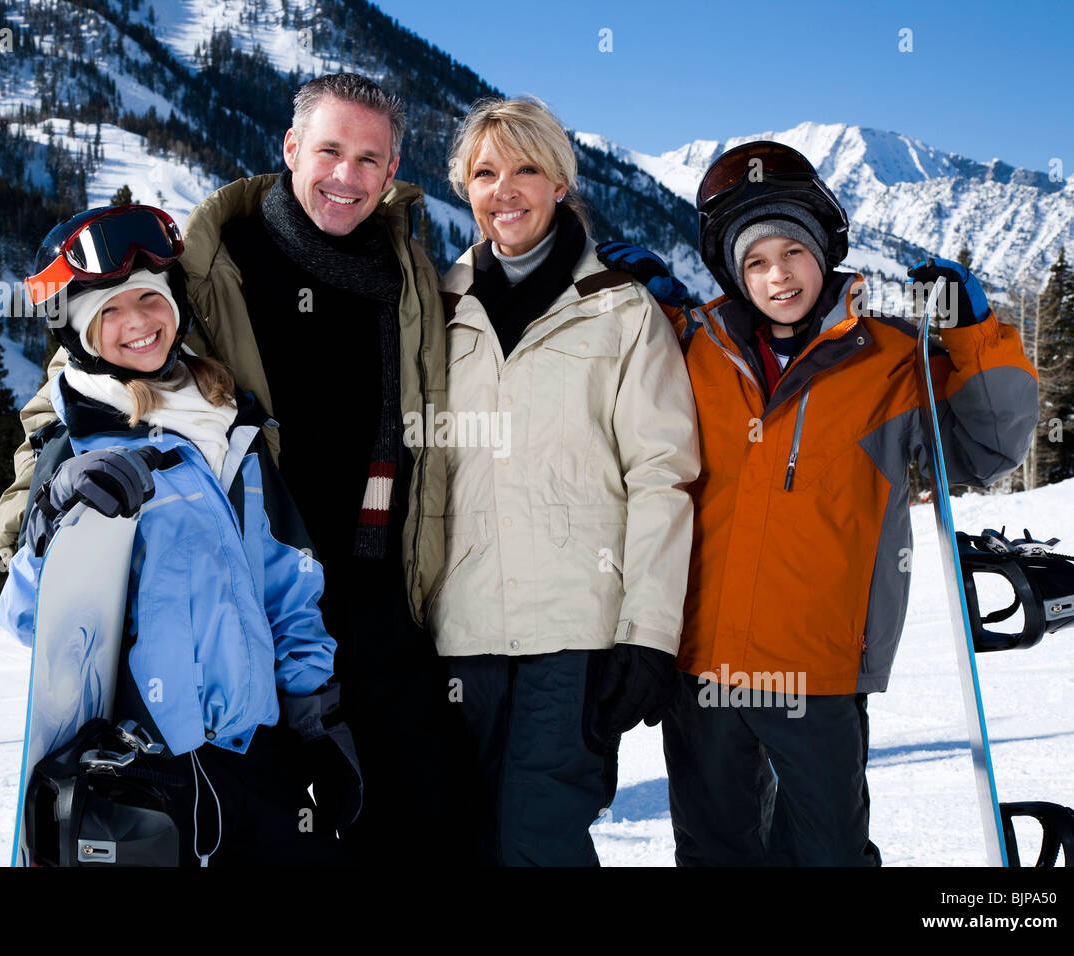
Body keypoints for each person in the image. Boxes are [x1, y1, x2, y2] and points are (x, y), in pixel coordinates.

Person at [0, 74, 478, 866]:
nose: (346, 177)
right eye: (329, 150)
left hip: (363, 593)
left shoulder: (412, 274)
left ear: (393, 171)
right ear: (291, 148)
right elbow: (88, 373)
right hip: (245, 617)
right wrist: (48, 513)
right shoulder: (214, 259)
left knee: (424, 819)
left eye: (370, 158)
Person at [597, 140, 1038, 865]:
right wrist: (646, 317)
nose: (779, 277)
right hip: (701, 664)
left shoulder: (889, 360)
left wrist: (974, 338)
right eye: (756, 262)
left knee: (827, 853)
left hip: (819, 670)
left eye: (793, 253)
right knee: (712, 851)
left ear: (824, 251)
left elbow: (988, 448)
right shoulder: (691, 351)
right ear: (732, 274)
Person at [0, 203, 353, 866]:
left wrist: (315, 718)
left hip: (258, 757)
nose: (137, 323)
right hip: (148, 773)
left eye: (149, 299)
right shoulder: (72, 446)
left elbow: (287, 584)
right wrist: (53, 520)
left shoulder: (232, 427)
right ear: (76, 331)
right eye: (108, 311)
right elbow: (25, 618)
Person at [436, 95, 699, 865]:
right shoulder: (435, 309)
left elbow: (662, 477)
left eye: (527, 169)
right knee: (460, 841)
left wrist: (648, 636)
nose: (505, 189)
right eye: (485, 172)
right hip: (459, 636)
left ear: (560, 183)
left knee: (539, 843)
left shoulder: (620, 312)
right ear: (465, 188)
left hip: (574, 637)